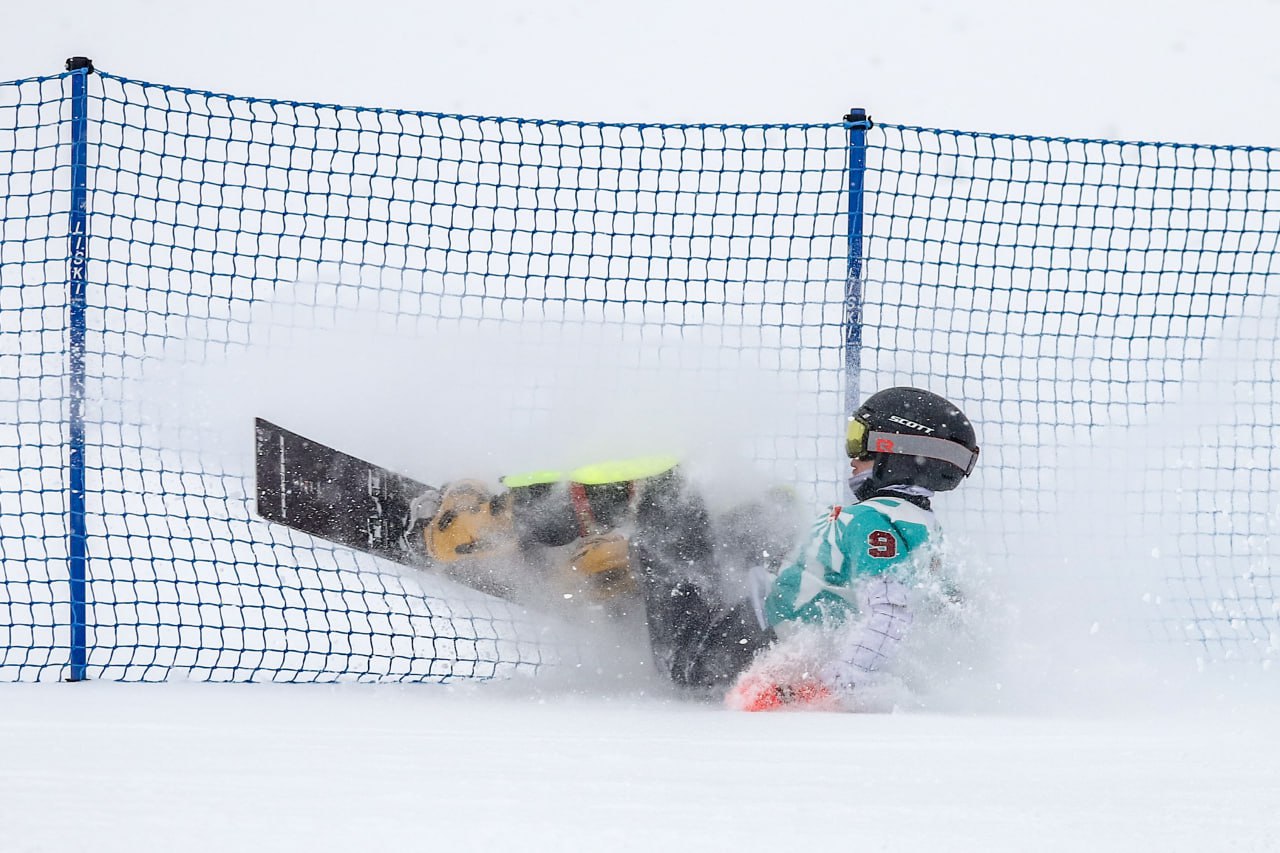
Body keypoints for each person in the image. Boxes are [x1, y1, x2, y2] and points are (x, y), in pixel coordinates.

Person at [632, 386, 979, 711]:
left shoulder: (872, 522)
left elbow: (889, 613)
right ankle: (694, 523)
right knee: (768, 513)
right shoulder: (922, 527)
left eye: (859, 442)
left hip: (716, 651)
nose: (852, 457)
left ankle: (638, 505)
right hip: (762, 615)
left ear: (895, 450)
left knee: (666, 509)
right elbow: (940, 608)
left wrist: (838, 683)